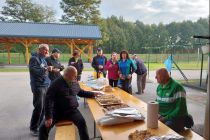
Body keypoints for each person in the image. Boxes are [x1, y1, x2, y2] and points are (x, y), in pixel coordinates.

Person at [39, 66, 101, 140]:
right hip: (56, 111)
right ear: (67, 75)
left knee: (82, 123)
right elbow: (48, 99)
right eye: (74, 75)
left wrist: (93, 94)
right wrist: (48, 117)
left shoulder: (74, 81)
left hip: (72, 110)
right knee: (43, 128)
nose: (76, 77)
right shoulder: (55, 84)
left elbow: (80, 92)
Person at [29, 44, 53, 136]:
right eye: (45, 50)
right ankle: (33, 128)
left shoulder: (43, 59)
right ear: (39, 50)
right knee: (38, 107)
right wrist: (47, 69)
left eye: (48, 50)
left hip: (45, 85)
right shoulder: (34, 59)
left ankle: (39, 125)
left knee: (44, 107)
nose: (47, 52)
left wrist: (51, 70)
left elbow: (45, 72)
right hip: (38, 86)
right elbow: (35, 71)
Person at [155, 68, 189, 132]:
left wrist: (164, 118)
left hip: (176, 118)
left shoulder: (177, 87)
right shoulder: (160, 86)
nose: (155, 77)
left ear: (164, 77)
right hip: (162, 116)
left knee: (163, 129)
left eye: (157, 75)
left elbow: (181, 109)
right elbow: (157, 102)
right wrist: (154, 112)